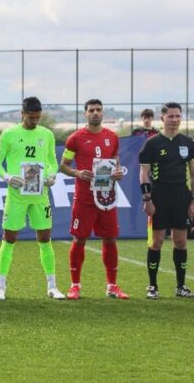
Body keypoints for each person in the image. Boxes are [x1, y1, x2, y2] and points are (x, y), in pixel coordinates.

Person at [0, 96, 65, 300]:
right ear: (22, 113)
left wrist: (51, 175)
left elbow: (52, 162)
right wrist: (7, 177)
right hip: (16, 196)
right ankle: (0, 287)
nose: (35, 121)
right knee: (9, 238)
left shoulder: (47, 134)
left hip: (40, 195)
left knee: (45, 238)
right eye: (31, 117)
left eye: (38, 117)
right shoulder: (9, 134)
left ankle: (52, 286)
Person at [59, 99, 128, 299]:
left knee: (110, 238)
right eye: (91, 110)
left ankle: (112, 286)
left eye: (98, 110)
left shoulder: (112, 137)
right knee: (79, 238)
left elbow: (115, 162)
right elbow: (63, 166)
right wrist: (77, 173)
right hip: (84, 198)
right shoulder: (75, 139)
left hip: (106, 196)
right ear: (85, 114)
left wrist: (117, 173)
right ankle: (75, 286)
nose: (95, 113)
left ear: (103, 113)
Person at [139, 101, 194, 299]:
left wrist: (193, 201)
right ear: (162, 118)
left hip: (181, 197)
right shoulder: (152, 143)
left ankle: (181, 286)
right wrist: (147, 199)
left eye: (178, 116)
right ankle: (152, 286)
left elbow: (193, 175)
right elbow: (144, 174)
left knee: (180, 242)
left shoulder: (188, 143)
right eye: (170, 116)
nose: (174, 120)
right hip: (159, 197)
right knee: (157, 242)